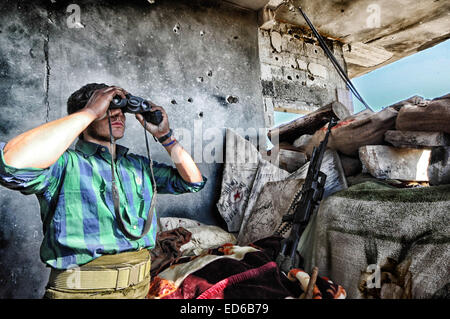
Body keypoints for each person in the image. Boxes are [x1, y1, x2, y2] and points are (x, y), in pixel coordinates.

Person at [0, 83, 207, 298]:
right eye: (108, 108)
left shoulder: (138, 166)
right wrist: (89, 111)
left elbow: (192, 182)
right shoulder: (63, 164)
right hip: (82, 292)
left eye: (122, 109)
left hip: (139, 288)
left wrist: (165, 136)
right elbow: (11, 165)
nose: (118, 114)